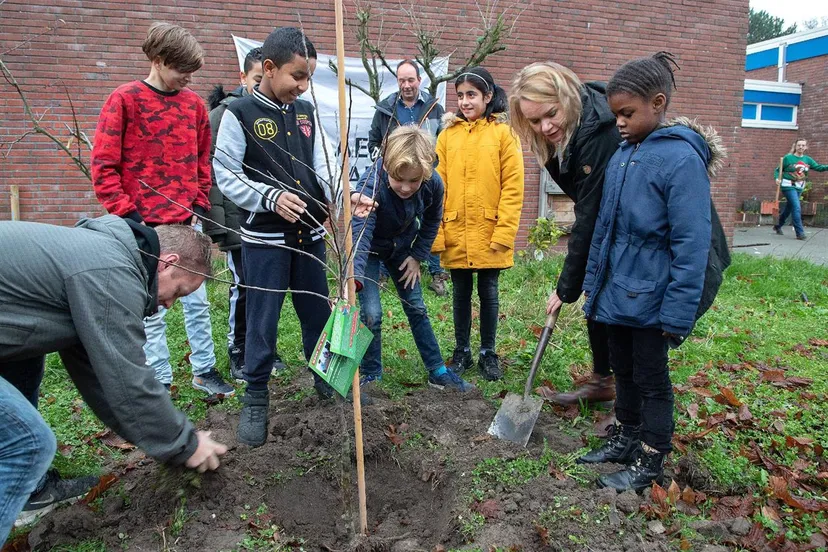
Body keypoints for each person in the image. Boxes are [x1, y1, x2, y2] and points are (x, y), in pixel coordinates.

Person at [0, 216, 228, 545]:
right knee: (28, 444)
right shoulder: (110, 272)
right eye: (178, 291)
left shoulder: (104, 255)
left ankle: (29, 488)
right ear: (167, 263)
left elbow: (100, 375)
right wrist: (184, 443)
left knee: (25, 361)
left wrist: (159, 438)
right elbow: (127, 375)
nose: (168, 304)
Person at [214, 27, 372, 447]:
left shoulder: (306, 113)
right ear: (268, 68)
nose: (302, 86)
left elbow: (323, 162)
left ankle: (330, 380)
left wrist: (344, 196)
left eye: (308, 78)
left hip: (311, 236)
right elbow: (225, 172)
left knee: (317, 312)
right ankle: (256, 395)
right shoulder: (240, 113)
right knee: (262, 320)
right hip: (265, 240)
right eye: (297, 76)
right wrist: (268, 197)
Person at [580, 52, 723, 492]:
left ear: (658, 103)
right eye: (615, 114)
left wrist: (677, 313)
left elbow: (692, 244)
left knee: (651, 378)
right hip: (619, 290)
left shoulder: (681, 161)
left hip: (654, 297)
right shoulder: (625, 154)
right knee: (622, 368)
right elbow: (605, 229)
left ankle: (651, 458)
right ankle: (625, 436)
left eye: (627, 113)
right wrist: (594, 287)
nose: (619, 122)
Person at [91, 22, 233, 396]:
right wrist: (130, 217)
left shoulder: (193, 106)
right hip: (142, 227)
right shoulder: (124, 100)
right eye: (181, 71)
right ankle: (160, 381)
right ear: (157, 60)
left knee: (197, 301)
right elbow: (104, 167)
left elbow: (204, 160)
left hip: (186, 222)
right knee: (151, 307)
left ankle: (204, 370)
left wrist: (200, 202)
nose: (188, 79)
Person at [508, 62, 619, 406]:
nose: (545, 127)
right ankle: (604, 380)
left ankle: (632, 404)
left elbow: (589, 215)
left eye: (550, 114)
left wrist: (566, 286)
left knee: (619, 308)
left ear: (567, 96)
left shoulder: (598, 135)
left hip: (638, 230)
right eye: (534, 121)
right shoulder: (568, 133)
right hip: (610, 223)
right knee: (597, 298)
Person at [351, 126, 474, 397]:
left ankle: (438, 370)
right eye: (399, 180)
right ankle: (372, 373)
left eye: (414, 181)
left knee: (417, 307)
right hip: (370, 251)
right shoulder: (371, 184)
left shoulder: (433, 183)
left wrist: (417, 256)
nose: (406, 188)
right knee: (371, 314)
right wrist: (355, 279)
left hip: (403, 251)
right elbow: (361, 233)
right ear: (386, 167)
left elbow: (432, 221)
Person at [433, 67, 524, 382]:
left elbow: (513, 187)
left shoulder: (503, 135)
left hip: (489, 230)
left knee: (488, 291)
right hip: (456, 228)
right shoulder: (447, 136)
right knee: (460, 292)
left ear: (488, 96)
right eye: (460, 96)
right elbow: (437, 188)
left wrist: (504, 231)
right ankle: (462, 351)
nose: (465, 101)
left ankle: (487, 352)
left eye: (471, 94)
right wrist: (438, 232)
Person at [204, 47, 287, 380]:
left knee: (267, 289)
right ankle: (239, 350)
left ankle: (264, 347)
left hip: (268, 219)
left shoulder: (276, 114)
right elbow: (215, 176)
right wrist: (220, 227)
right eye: (256, 80)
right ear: (245, 77)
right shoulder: (225, 116)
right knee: (244, 287)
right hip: (237, 223)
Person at [368, 59, 449, 296]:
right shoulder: (386, 109)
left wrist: (431, 165)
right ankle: (381, 274)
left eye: (410, 80)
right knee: (387, 221)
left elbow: (444, 142)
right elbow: (373, 141)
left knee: (431, 222)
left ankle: (436, 274)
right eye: (402, 80)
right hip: (395, 178)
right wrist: (387, 160)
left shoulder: (435, 108)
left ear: (419, 81)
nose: (406, 85)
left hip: (424, 178)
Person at [773, 138, 827, 240]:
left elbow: (819, 167)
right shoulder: (788, 158)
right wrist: (776, 178)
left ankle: (778, 225)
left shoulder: (808, 160)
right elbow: (778, 170)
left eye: (803, 145)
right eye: (799, 145)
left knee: (789, 207)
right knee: (796, 207)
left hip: (799, 186)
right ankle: (800, 233)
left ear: (806, 147)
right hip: (788, 185)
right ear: (795, 146)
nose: (801, 147)